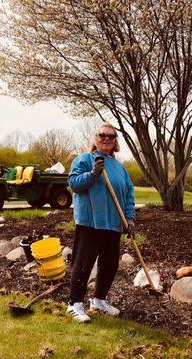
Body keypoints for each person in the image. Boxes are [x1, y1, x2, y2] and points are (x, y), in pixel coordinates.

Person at [66, 122, 135, 323]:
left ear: (115, 142)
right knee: (83, 263)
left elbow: (129, 194)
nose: (106, 138)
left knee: (110, 265)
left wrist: (129, 218)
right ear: (95, 138)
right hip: (90, 222)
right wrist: (93, 173)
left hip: (113, 223)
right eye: (102, 135)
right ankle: (75, 304)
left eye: (111, 136)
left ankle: (99, 301)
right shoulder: (85, 159)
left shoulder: (120, 168)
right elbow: (74, 185)